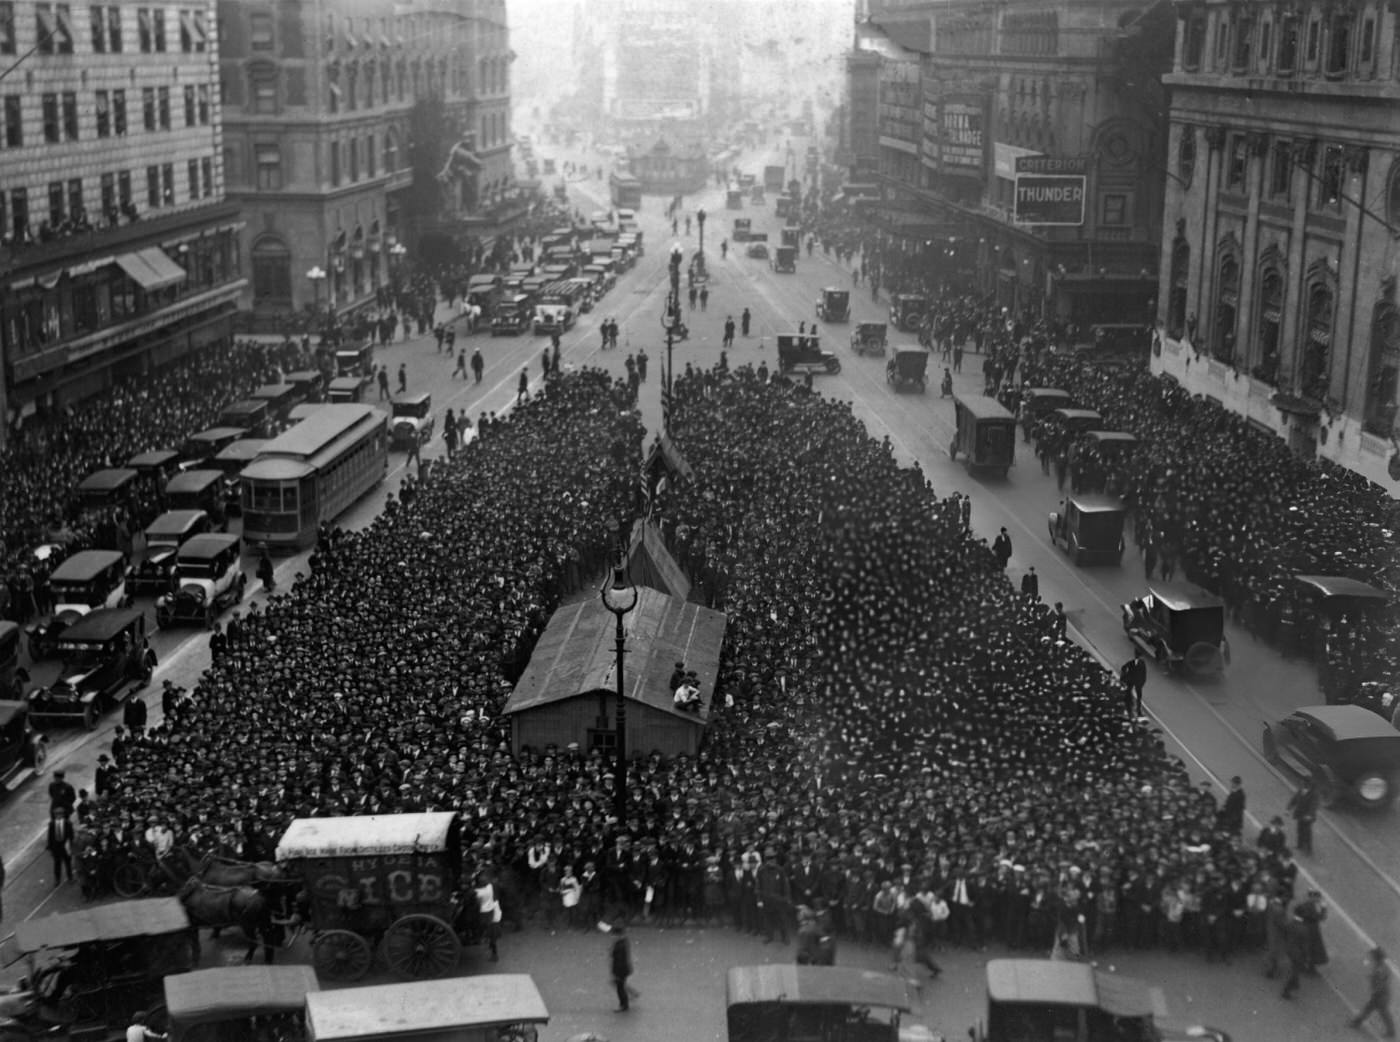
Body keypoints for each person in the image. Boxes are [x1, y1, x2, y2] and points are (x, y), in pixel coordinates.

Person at [1350, 947, 1395, 1037]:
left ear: (1377, 958)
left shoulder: (1379, 970)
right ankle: (1357, 1022)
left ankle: (1356, 1022)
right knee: (1379, 1012)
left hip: (1379, 995)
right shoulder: (1383, 967)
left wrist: (1374, 991)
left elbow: (1380, 984)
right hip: (1383, 994)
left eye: (1373, 956)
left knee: (1379, 1012)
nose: (1371, 957)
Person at [1288, 777, 1319, 855]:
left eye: (1304, 783)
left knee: (1307, 832)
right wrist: (1288, 809)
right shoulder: (1301, 790)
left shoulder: (1314, 794)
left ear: (1308, 784)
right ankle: (1300, 845)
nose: (1302, 784)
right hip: (1300, 815)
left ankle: (1309, 849)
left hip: (1308, 817)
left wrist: (1309, 815)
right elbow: (1294, 799)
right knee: (1299, 830)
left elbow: (1313, 805)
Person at [609, 922, 635, 1012]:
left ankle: (624, 1005)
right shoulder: (622, 942)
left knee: (620, 988)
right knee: (620, 985)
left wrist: (616, 973)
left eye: (614, 934)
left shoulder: (620, 945)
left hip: (621, 970)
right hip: (624, 969)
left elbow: (619, 961)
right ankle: (630, 996)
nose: (612, 936)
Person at [46, 806, 74, 886]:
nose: (58, 816)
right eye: (56, 815)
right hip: (56, 848)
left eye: (60, 815)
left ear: (62, 815)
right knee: (57, 864)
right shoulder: (51, 824)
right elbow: (50, 837)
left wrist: (70, 846)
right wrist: (50, 848)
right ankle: (57, 879)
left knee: (68, 863)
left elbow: (71, 836)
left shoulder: (68, 823)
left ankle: (70, 877)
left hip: (65, 846)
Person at [1120, 651, 1148, 717]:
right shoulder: (1135, 663)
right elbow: (1123, 668)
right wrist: (1125, 677)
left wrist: (1142, 682)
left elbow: (1144, 674)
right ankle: (1131, 707)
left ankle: (1137, 710)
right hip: (1132, 681)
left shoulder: (1138, 663)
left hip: (1137, 682)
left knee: (1138, 696)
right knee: (1131, 693)